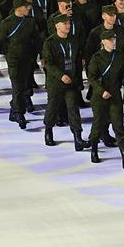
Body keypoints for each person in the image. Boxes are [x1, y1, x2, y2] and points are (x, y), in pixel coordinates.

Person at [42, 13, 90, 151]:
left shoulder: (73, 40)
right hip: (56, 82)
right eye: (65, 24)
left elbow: (77, 61)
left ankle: (78, 137)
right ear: (57, 26)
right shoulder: (50, 42)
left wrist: (78, 80)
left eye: (69, 23)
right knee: (52, 107)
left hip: (71, 81)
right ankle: (48, 131)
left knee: (73, 109)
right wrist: (60, 75)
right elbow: (48, 64)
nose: (68, 26)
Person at [85, 29, 124, 169]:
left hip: (115, 94)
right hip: (99, 96)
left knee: (119, 126)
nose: (113, 42)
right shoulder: (97, 58)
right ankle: (94, 150)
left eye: (114, 39)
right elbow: (91, 78)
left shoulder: (119, 56)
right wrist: (101, 91)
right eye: (110, 40)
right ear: (103, 42)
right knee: (98, 124)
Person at [0, 0, 42, 129]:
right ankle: (20, 114)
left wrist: (42, 56)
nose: (29, 8)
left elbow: (37, 40)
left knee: (23, 86)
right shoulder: (6, 23)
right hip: (13, 60)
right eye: (26, 7)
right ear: (19, 8)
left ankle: (13, 110)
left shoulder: (30, 22)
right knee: (17, 87)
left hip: (27, 59)